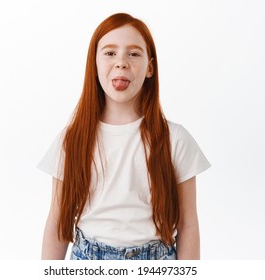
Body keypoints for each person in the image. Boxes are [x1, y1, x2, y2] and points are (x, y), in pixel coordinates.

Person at [37, 13, 211, 260]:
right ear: (94, 64)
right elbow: (57, 222)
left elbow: (188, 225)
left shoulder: (175, 139)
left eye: (134, 53)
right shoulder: (72, 140)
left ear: (150, 67)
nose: (121, 62)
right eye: (109, 53)